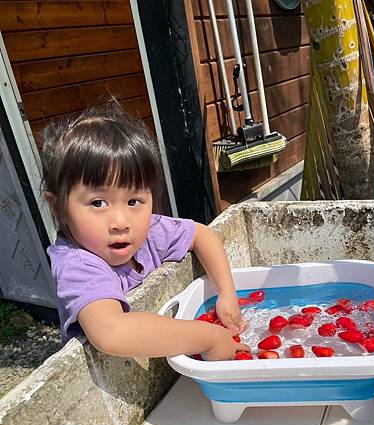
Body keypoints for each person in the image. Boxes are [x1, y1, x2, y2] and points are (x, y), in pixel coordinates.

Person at [42, 101, 249, 361]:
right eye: (98, 203)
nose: (120, 221)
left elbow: (201, 234)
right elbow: (112, 332)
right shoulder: (77, 264)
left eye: (133, 201)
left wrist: (226, 293)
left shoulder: (150, 230)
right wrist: (211, 337)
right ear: (58, 207)